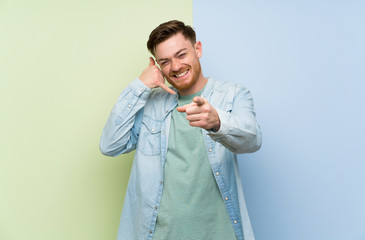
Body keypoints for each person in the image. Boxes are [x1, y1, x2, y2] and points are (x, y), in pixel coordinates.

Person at [100, 20, 262, 240]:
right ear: (156, 65)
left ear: (198, 49)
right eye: (165, 61)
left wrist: (218, 122)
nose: (175, 67)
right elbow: (110, 145)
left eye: (181, 55)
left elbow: (252, 140)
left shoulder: (233, 94)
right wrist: (140, 85)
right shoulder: (150, 104)